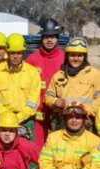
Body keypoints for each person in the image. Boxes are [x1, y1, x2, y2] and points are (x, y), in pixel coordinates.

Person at [0, 33, 41, 139]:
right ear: (7, 52)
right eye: (12, 53)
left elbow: (33, 102)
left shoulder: (33, 72)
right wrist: (7, 118)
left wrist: (17, 118)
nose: (15, 56)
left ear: (24, 52)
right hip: (0, 119)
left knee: (27, 154)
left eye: (19, 53)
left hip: (25, 120)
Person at [44, 37, 100, 132]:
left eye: (79, 55)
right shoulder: (58, 76)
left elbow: (99, 98)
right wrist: (55, 101)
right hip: (62, 124)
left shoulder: (94, 74)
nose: (76, 58)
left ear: (84, 57)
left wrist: (85, 112)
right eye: (72, 55)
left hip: (85, 124)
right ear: (67, 56)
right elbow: (48, 97)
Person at [26, 19, 65, 148]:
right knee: (37, 147)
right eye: (46, 37)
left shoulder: (66, 59)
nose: (49, 40)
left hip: (58, 112)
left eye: (53, 37)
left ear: (58, 38)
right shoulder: (32, 59)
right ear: (41, 38)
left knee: (59, 147)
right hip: (38, 112)